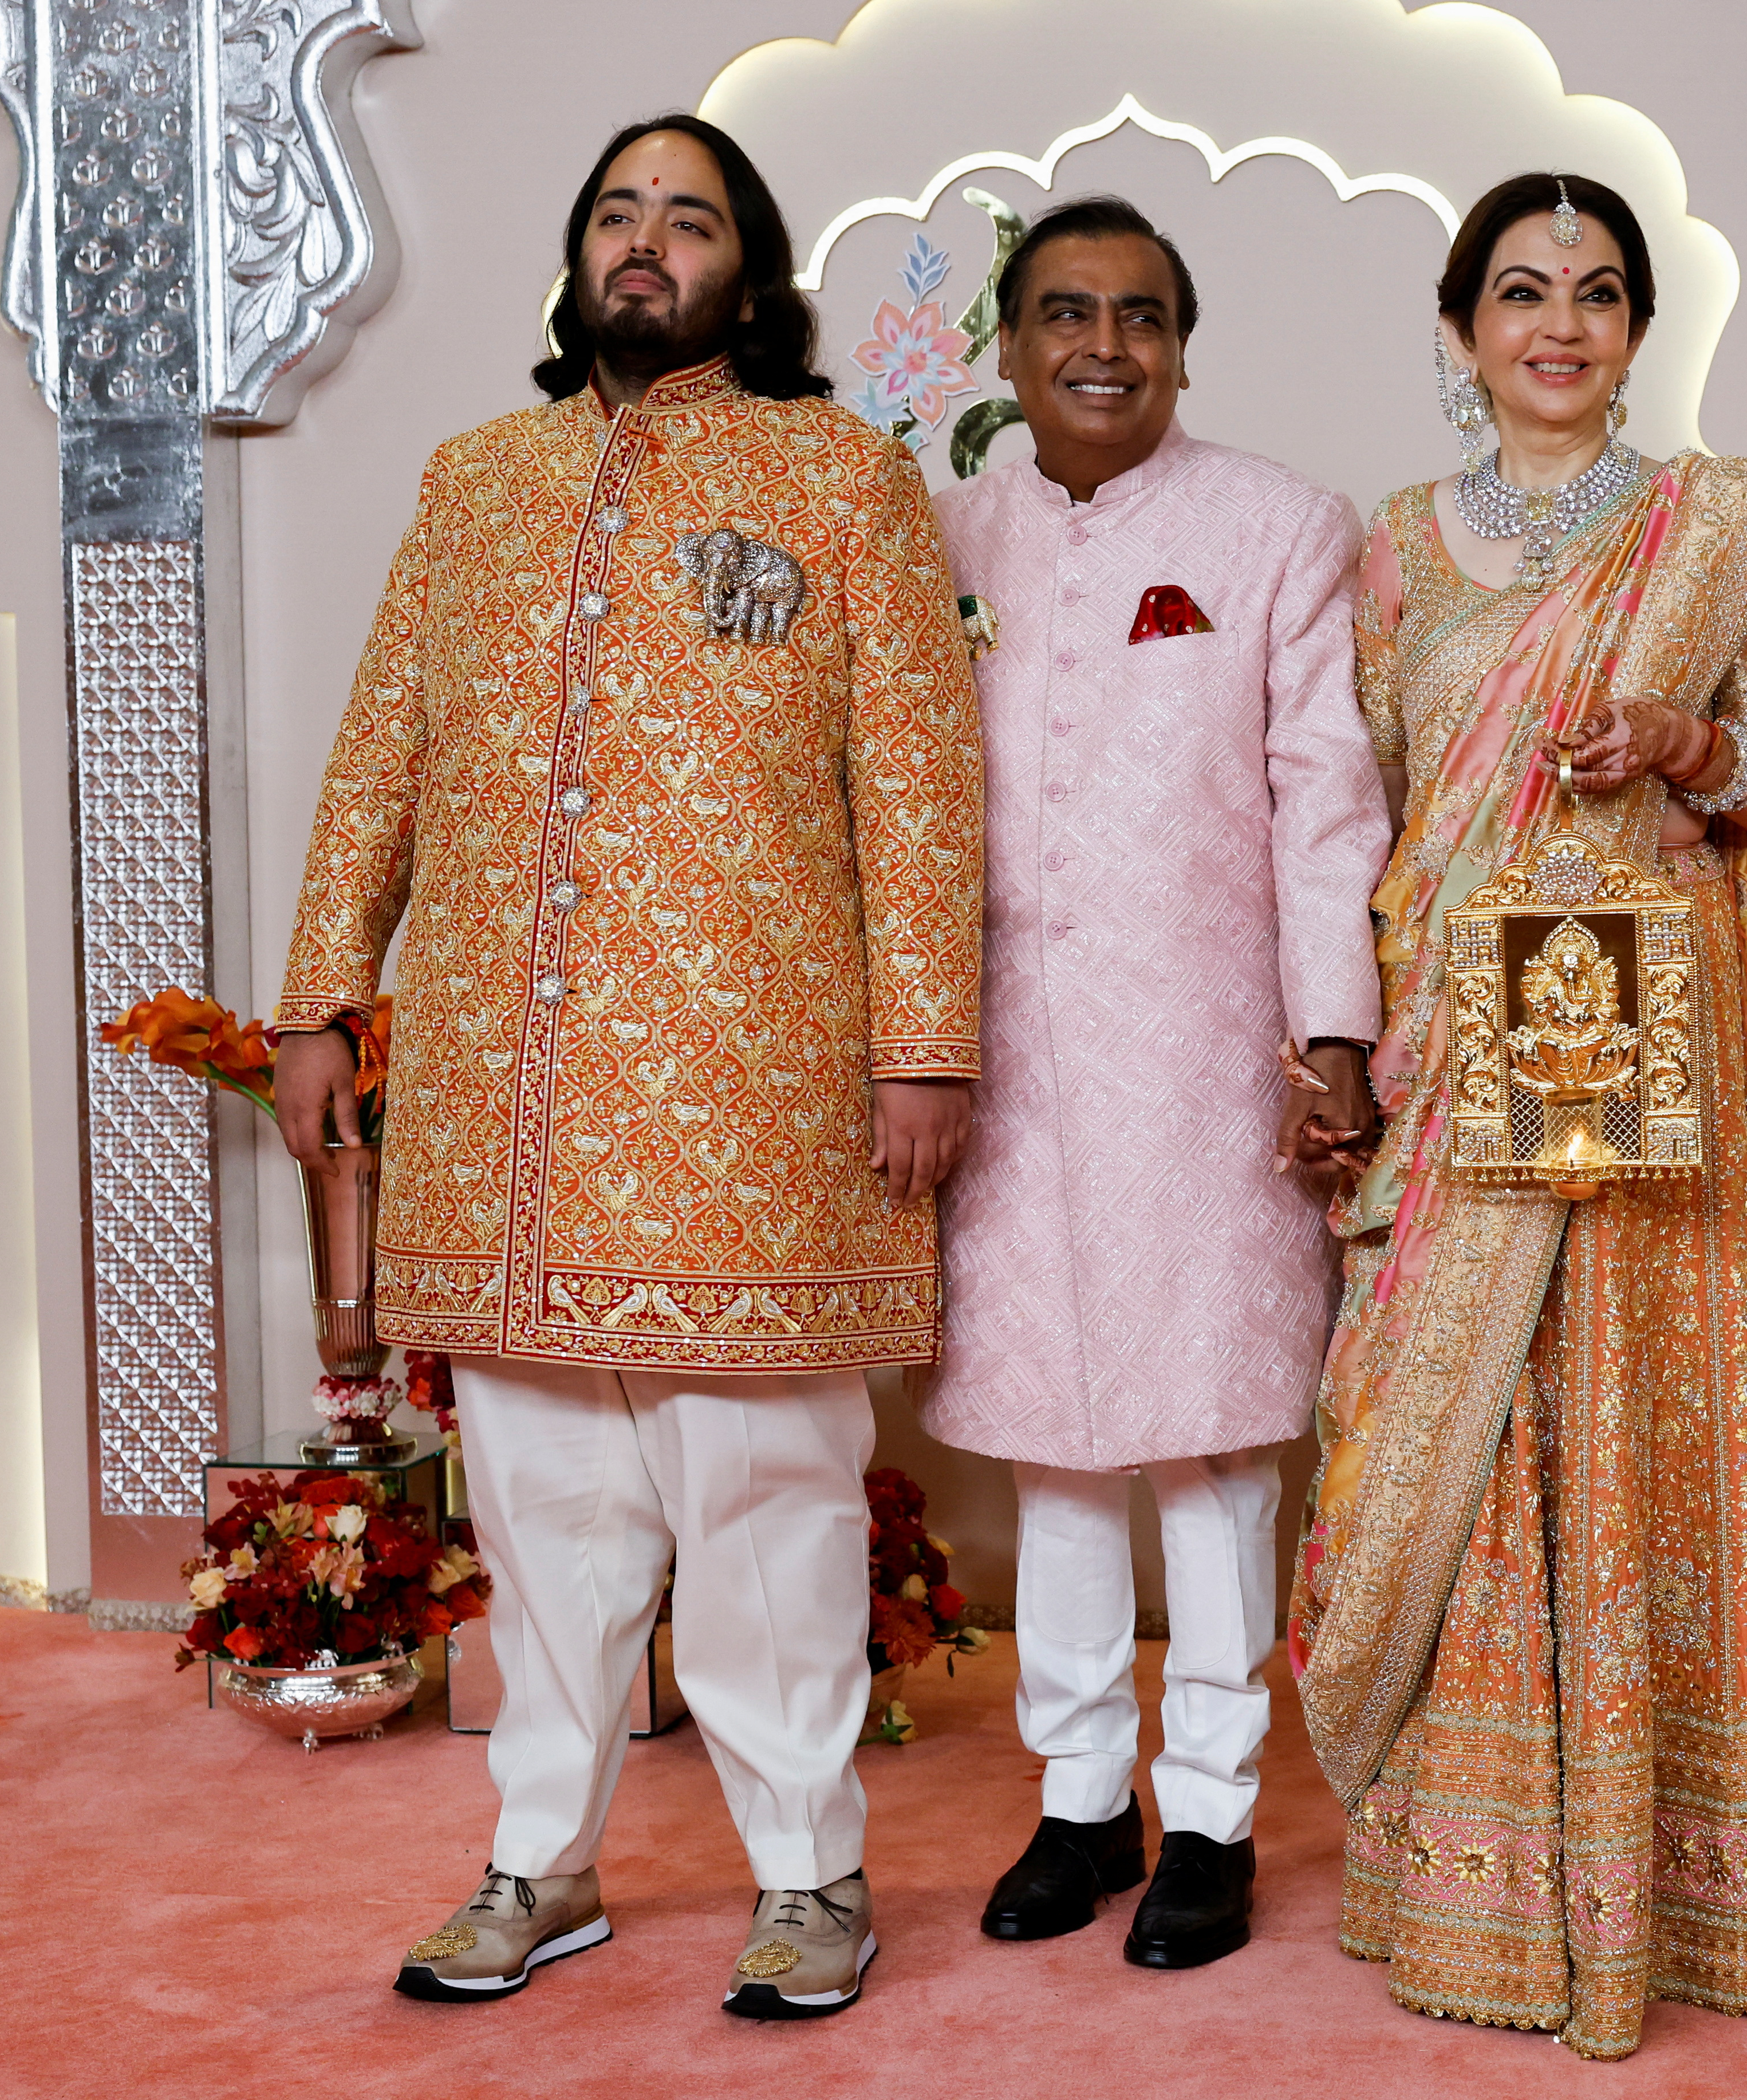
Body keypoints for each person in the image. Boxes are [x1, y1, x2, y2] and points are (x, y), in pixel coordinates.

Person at [271, 114, 983, 2021]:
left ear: (749, 271)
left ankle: (810, 1876)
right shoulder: (477, 483)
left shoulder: (840, 479)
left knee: (762, 1503)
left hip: (755, 1094)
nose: (647, 246)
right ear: (578, 258)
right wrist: (319, 996)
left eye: (689, 218)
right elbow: (382, 753)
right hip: (510, 1098)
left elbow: (917, 784)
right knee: (542, 1509)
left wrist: (926, 1046)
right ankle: (542, 1861)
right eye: (617, 215)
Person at [1284, 172, 1747, 2062]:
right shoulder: (1390, 549)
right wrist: (1346, 1042)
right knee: (1456, 1415)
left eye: (1597, 293)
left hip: (1632, 1020)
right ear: (1459, 332)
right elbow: (1354, 808)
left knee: (1623, 1414)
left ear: (1635, 328)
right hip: (1460, 1031)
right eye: (1519, 292)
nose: (1561, 324)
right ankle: (1469, 1866)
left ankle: (1674, 1872)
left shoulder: (1712, 527)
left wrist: (1694, 745)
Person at [920, 196, 1389, 1971]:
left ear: (1182, 345)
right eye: (1063, 313)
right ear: (1010, 345)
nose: (1100, 345)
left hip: (1211, 1050)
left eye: (1137, 315)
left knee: (1204, 1449)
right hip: (1007, 1067)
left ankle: (1210, 1815)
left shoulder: (1276, 526)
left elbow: (1324, 794)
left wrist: (1328, 1035)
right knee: (1051, 1452)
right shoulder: (943, 534)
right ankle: (1075, 1803)